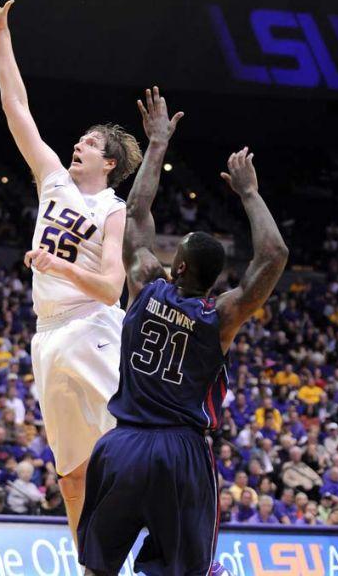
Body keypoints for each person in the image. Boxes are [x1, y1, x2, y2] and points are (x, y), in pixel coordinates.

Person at [77, 88, 288, 575]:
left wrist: (156, 145)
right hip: (181, 451)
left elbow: (134, 215)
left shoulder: (147, 284)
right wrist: (250, 194)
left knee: (97, 567)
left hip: (123, 442)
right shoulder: (221, 316)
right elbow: (273, 256)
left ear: (179, 267)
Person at [0, 0, 142, 542]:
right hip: (48, 335)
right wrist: (1, 34)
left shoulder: (113, 210)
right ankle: (88, 562)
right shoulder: (53, 180)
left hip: (94, 327)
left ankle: (182, 547)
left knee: (142, 447)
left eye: (89, 143)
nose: (78, 145)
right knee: (70, 475)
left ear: (108, 161)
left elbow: (113, 288)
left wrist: (58, 267)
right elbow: (16, 107)